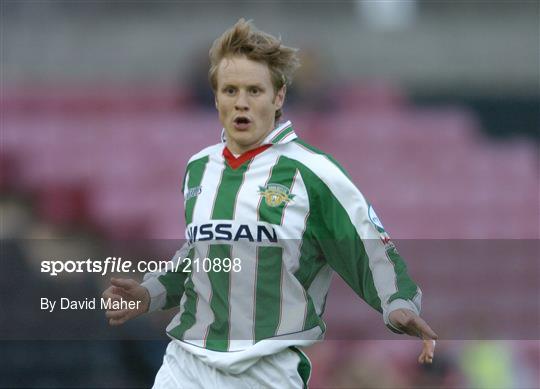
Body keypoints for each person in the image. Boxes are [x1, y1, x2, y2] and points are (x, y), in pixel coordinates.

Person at [102, 18, 438, 388]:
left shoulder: (314, 172)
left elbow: (368, 244)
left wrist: (398, 304)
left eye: (254, 91)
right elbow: (201, 256)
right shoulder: (199, 168)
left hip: (266, 371)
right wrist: (150, 293)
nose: (241, 103)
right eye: (230, 90)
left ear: (278, 97)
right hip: (187, 365)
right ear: (215, 97)